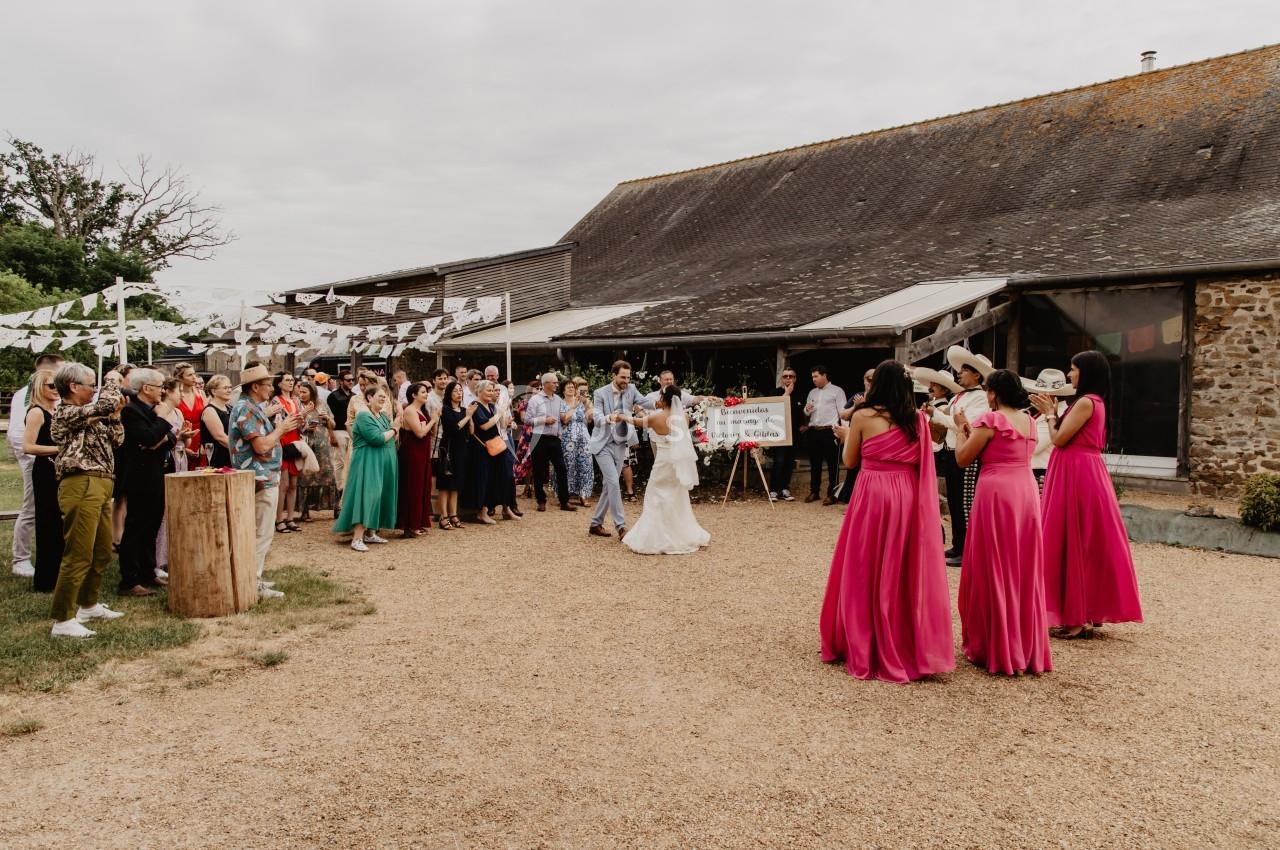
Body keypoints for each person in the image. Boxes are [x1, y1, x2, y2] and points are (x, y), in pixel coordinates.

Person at [818, 360, 953, 683]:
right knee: (901, 564)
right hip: (906, 494)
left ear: (876, 384)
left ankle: (865, 637)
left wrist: (846, 436)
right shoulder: (917, 419)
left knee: (865, 563)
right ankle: (902, 635)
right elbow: (923, 464)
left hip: (873, 492)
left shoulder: (863, 416)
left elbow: (851, 460)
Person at [1031, 351, 1143, 639]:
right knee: (1084, 540)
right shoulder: (1095, 402)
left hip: (1076, 471)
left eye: (1073, 369)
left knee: (1072, 537)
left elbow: (1059, 439)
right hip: (1083, 469)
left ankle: (1076, 618)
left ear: (1086, 372)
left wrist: (1049, 415)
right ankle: (1086, 611)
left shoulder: (1085, 402)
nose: (1070, 374)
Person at [955, 369, 1052, 676]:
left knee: (993, 564)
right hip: (1025, 492)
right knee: (1022, 566)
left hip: (996, 493)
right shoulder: (1030, 421)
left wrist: (960, 430)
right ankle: (1023, 643)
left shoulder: (991, 420)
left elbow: (962, 458)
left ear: (993, 393)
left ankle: (996, 643)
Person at [48, 363, 127, 638]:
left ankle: (88, 604)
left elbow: (117, 439)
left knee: (102, 550)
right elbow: (104, 404)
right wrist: (112, 381)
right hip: (81, 482)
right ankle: (62, 619)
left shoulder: (91, 414)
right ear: (73, 387)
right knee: (79, 553)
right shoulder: (65, 412)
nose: (95, 389)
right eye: (91, 384)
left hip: (102, 482)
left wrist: (115, 416)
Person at [228, 362, 298, 599]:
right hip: (259, 477)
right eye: (267, 384)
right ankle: (252, 582)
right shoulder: (246, 409)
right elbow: (261, 446)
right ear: (255, 387)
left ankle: (253, 577)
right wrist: (281, 429)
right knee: (261, 532)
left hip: (262, 476)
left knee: (260, 531)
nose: (271, 388)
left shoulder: (249, 407)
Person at [622, 385, 711, 555]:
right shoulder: (684, 417)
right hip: (677, 463)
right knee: (677, 497)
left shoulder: (657, 417)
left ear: (664, 399)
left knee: (655, 496)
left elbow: (638, 422)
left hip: (663, 461)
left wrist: (622, 417)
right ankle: (680, 534)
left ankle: (656, 537)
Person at [117, 369, 177, 597]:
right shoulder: (131, 411)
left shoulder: (152, 410)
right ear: (146, 388)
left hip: (156, 473)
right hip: (140, 477)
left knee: (152, 525)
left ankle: (147, 570)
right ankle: (129, 580)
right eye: (161, 386)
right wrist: (161, 422)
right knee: (136, 527)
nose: (163, 391)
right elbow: (147, 438)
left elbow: (169, 438)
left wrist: (159, 436)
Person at [931, 347, 994, 566]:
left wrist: (936, 414)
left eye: (965, 370)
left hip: (968, 452)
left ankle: (967, 548)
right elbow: (953, 422)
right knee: (955, 501)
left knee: (966, 503)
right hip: (952, 450)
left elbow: (964, 426)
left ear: (977, 375)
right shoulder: (959, 397)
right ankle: (958, 544)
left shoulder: (981, 398)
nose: (960, 373)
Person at [8, 352, 64, 577]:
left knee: (49, 512)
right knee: (31, 509)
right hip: (35, 460)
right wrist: (34, 457)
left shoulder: (52, 399)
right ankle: (20, 558)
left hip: (49, 460)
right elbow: (19, 435)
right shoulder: (27, 397)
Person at [588, 361, 654, 539]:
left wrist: (666, 402)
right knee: (613, 482)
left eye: (628, 377)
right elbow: (597, 416)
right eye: (622, 377)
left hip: (620, 444)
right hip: (602, 444)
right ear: (614, 375)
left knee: (609, 485)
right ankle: (621, 527)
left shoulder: (631, 389)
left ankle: (595, 524)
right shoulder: (600, 392)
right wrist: (609, 417)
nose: (626, 380)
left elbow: (646, 402)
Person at [334, 384, 400, 550]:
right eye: (380, 396)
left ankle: (370, 533)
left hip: (381, 461)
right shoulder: (364, 415)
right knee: (367, 495)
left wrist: (391, 431)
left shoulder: (382, 416)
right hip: (367, 461)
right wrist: (394, 429)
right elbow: (377, 438)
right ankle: (357, 538)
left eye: (385, 397)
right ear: (369, 398)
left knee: (379, 495)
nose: (383, 399)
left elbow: (389, 438)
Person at [22, 368, 63, 592]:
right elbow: (28, 446)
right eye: (51, 385)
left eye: (58, 385)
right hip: (45, 471)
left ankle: (57, 575)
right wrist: (59, 449)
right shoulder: (36, 412)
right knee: (48, 523)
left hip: (58, 469)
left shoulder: (55, 410)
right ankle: (46, 579)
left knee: (58, 525)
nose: (56, 389)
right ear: (40, 387)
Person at [152, 378, 192, 581]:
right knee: (163, 511)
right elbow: (156, 440)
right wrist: (177, 437)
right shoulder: (159, 411)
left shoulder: (178, 412)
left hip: (180, 458)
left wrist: (185, 435)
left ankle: (173, 554)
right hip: (166, 460)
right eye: (179, 391)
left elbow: (186, 441)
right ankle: (158, 560)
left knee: (177, 508)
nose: (182, 395)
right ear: (167, 391)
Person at [466, 380, 520, 524]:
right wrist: (499, 413)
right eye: (489, 390)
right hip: (482, 449)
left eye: (493, 390)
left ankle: (505, 507)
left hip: (496, 445)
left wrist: (506, 419)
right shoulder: (475, 405)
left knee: (501, 476)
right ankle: (482, 512)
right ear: (479, 391)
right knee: (484, 479)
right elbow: (484, 426)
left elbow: (500, 425)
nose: (491, 393)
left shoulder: (491, 406)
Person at [525, 372, 577, 513]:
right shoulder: (535, 400)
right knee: (539, 471)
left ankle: (564, 501)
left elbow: (560, 419)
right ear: (546, 383)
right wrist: (544, 420)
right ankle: (541, 501)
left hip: (554, 439)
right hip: (539, 438)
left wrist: (559, 433)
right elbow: (527, 420)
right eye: (554, 382)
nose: (556, 385)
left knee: (561, 469)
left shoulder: (558, 399)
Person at [398, 381, 438, 537]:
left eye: (426, 391)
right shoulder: (409, 410)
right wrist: (433, 420)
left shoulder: (422, 410)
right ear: (413, 395)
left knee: (423, 486)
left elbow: (431, 432)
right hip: (412, 452)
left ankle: (419, 521)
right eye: (423, 392)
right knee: (413, 487)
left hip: (423, 452)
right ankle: (410, 524)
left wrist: (434, 419)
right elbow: (420, 433)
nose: (426, 394)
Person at [1023, 368, 1073, 493]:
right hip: (1038, 469)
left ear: (1051, 395)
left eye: (1040, 392)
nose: (1037, 395)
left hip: (1042, 472)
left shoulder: (1060, 412)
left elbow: (1035, 447)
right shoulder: (1042, 412)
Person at [803, 365, 845, 505]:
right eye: (812, 377)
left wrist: (844, 433)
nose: (813, 379)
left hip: (830, 431)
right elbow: (806, 411)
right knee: (815, 464)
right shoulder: (812, 392)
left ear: (824, 375)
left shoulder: (837, 391)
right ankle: (814, 492)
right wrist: (806, 410)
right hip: (814, 430)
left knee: (833, 465)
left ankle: (832, 494)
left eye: (816, 376)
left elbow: (843, 413)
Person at [296, 381, 338, 521]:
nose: (301, 395)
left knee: (328, 473)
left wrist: (327, 419)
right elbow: (294, 425)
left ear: (312, 392)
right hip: (306, 444)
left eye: (304, 392)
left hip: (323, 445)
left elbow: (333, 424)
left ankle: (335, 507)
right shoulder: (298, 405)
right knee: (306, 476)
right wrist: (305, 428)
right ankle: (304, 510)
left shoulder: (321, 404)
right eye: (300, 392)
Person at [434, 380, 472, 530]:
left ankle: (453, 514)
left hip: (461, 448)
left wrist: (470, 417)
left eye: (460, 390)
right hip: (449, 448)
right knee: (445, 484)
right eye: (455, 391)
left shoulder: (464, 410)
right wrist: (467, 417)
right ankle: (443, 516)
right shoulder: (446, 409)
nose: (459, 393)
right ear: (449, 393)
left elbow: (470, 431)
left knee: (456, 484)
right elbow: (453, 429)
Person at [835, 368, 875, 505]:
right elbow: (843, 415)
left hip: (872, 439)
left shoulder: (881, 397)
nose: (870, 382)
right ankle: (851, 503)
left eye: (874, 379)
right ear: (864, 380)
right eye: (868, 379)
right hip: (857, 438)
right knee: (852, 470)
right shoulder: (858, 396)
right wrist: (856, 406)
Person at [768, 366, 806, 502]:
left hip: (794, 433)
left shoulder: (800, 394)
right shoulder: (775, 392)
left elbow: (803, 411)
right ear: (782, 379)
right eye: (785, 376)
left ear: (795, 378)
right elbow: (774, 409)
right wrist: (787, 393)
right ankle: (773, 490)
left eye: (791, 376)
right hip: (779, 433)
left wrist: (805, 424)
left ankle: (785, 489)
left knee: (789, 462)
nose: (788, 378)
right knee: (779, 461)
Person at [273, 373, 303, 534]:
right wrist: (300, 417)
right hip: (283, 442)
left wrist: (303, 421)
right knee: (283, 484)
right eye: (287, 380)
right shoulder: (276, 401)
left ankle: (290, 517)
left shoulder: (296, 401)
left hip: (295, 441)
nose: (291, 382)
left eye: (292, 380)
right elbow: (280, 421)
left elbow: (300, 424)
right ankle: (279, 519)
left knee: (293, 483)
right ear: (279, 384)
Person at [562, 380, 594, 506]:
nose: (571, 389)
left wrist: (587, 403)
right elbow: (564, 420)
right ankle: (568, 494)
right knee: (569, 464)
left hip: (583, 436)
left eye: (573, 387)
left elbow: (590, 419)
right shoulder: (561, 403)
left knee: (585, 463)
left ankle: (583, 494)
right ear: (563, 390)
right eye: (569, 387)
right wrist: (574, 407)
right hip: (567, 437)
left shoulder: (582, 402)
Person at [327, 371, 355, 494]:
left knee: (350, 462)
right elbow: (328, 417)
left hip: (351, 432)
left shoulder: (354, 396)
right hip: (338, 431)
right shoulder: (333, 396)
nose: (351, 382)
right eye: (348, 380)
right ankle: (340, 489)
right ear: (341, 381)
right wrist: (331, 435)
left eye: (352, 379)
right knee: (339, 462)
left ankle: (347, 489)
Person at [173, 362, 205, 467]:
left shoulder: (200, 393)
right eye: (190, 375)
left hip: (200, 438)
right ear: (180, 378)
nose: (194, 377)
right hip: (182, 439)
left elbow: (205, 420)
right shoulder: (176, 396)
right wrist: (184, 448)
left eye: (194, 374)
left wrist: (204, 443)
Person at [199, 374, 235, 468]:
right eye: (225, 388)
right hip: (218, 460)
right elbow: (220, 437)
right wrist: (241, 450)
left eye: (230, 387)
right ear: (214, 391)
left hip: (231, 457)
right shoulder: (210, 410)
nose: (229, 390)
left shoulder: (230, 408)